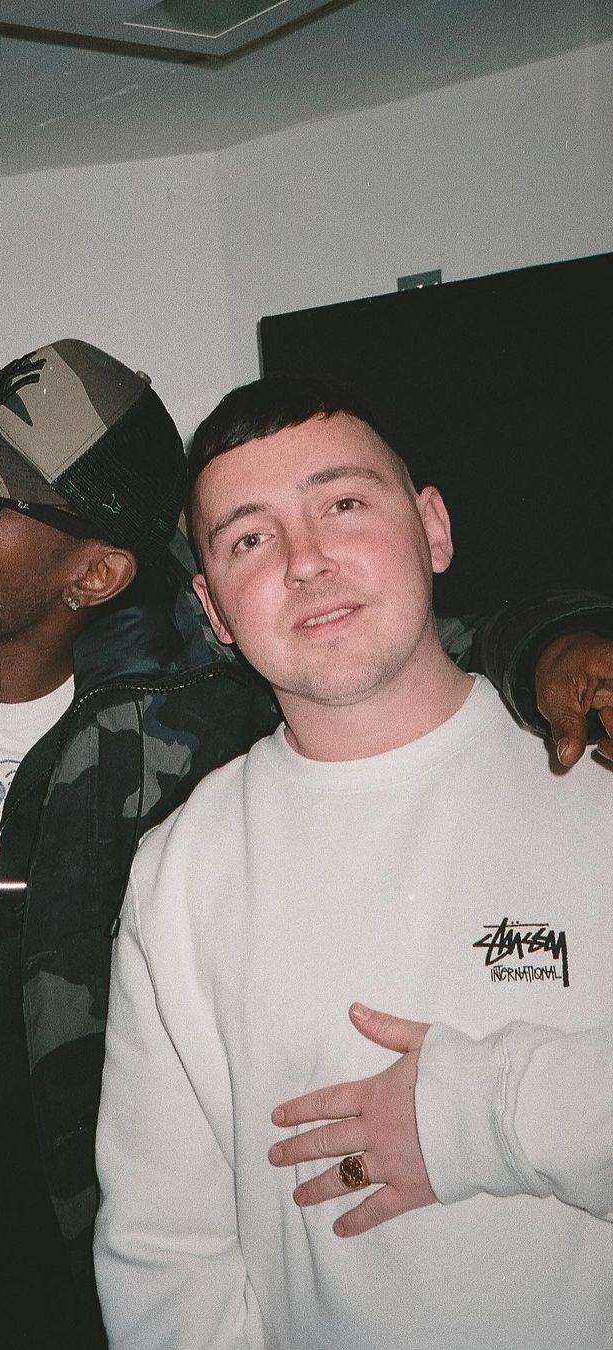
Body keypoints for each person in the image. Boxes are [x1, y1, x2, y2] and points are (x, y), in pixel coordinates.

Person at [0, 344, 612, 1347]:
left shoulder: (182, 742)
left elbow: (370, 652)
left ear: (93, 574)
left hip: (64, 1314)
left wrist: (560, 636)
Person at [93, 373, 613, 1350]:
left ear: (433, 528)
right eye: (249, 539)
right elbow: (167, 1251)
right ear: (213, 608)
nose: (306, 562)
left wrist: (480, 1117)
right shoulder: (181, 867)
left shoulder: (597, 763)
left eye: (341, 503)